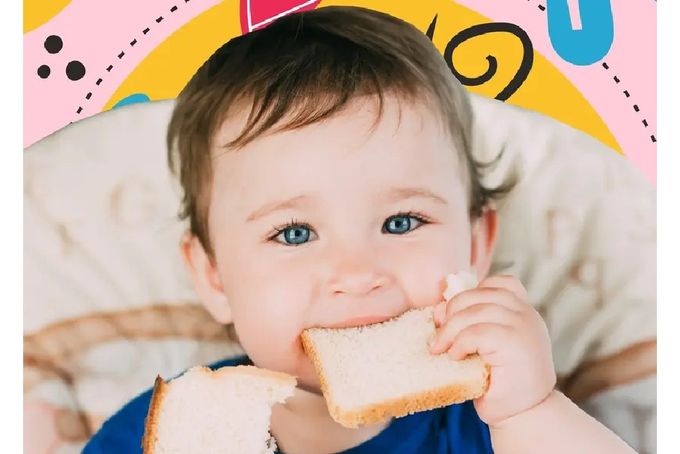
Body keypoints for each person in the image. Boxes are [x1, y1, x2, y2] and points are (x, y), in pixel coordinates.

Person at [84, 6, 634, 453]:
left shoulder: (493, 421)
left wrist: (531, 408)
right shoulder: (164, 429)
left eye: (401, 222)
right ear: (214, 277)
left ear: (477, 245)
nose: (357, 274)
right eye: (295, 233)